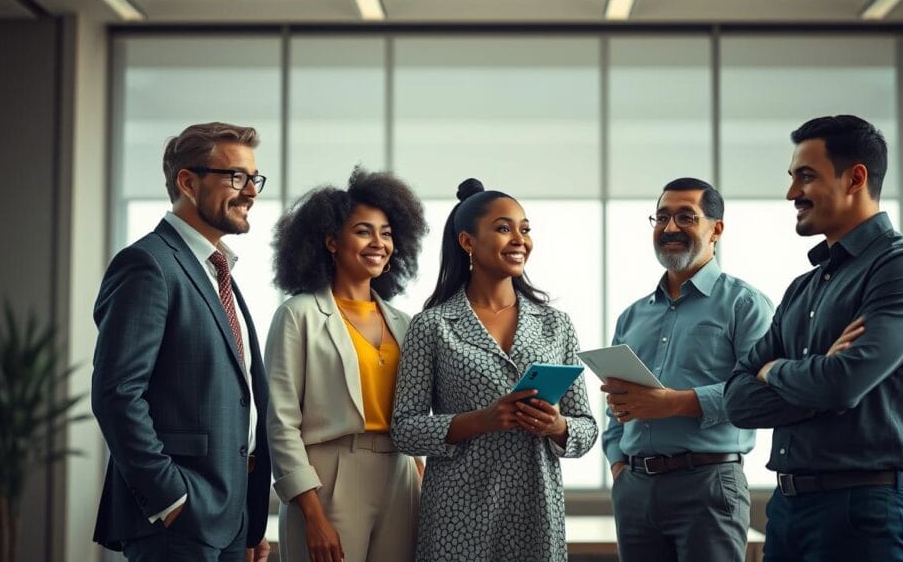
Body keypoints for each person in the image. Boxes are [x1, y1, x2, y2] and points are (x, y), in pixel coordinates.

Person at [724, 115, 903, 561]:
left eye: (805, 177)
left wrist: (774, 370)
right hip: (786, 509)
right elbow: (737, 401)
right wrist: (818, 377)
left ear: (855, 177)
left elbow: (842, 382)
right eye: (792, 178)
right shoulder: (803, 287)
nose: (791, 194)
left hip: (859, 510)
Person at [390, 179, 599, 562]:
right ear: (467, 242)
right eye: (504, 228)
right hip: (457, 513)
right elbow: (405, 429)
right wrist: (482, 420)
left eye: (525, 229)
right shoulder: (432, 325)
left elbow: (586, 427)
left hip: (536, 511)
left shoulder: (557, 325)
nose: (520, 239)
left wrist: (557, 426)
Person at [91, 122, 271, 561]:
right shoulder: (147, 264)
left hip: (229, 518)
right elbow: (117, 394)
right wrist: (172, 500)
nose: (250, 191)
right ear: (188, 182)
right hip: (180, 518)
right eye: (236, 177)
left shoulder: (217, 271)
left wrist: (246, 518)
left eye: (254, 178)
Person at [600, 177, 773, 562]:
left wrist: (674, 403)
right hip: (635, 490)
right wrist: (618, 465)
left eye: (685, 217)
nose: (670, 228)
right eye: (661, 218)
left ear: (717, 230)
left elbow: (760, 395)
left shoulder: (746, 305)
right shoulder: (633, 315)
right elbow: (614, 403)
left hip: (708, 485)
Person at [265, 169, 429, 562]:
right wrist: (312, 512)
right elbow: (281, 422)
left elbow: (413, 412)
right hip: (329, 477)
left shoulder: (404, 323)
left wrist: (421, 483)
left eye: (386, 233)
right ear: (331, 242)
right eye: (363, 231)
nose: (378, 243)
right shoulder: (298, 315)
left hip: (401, 475)